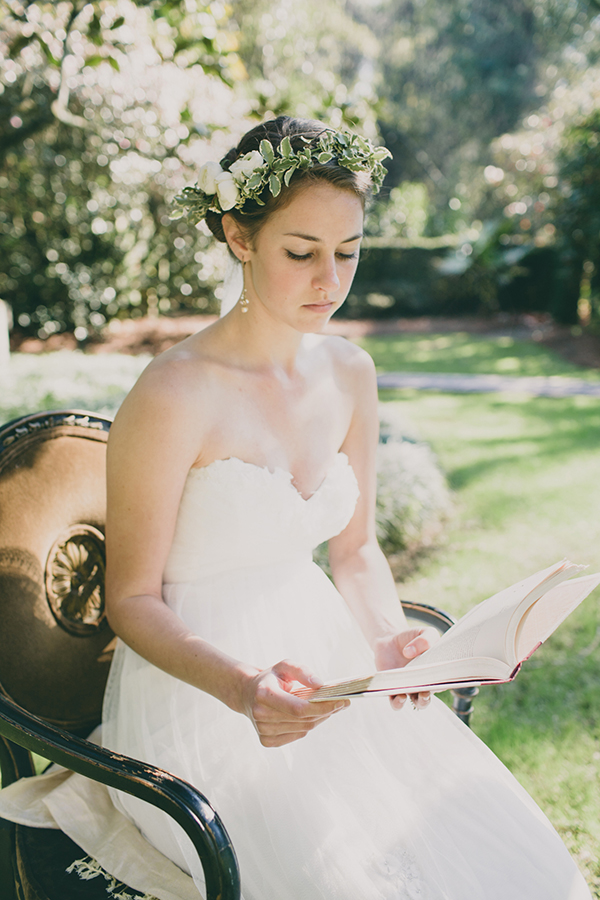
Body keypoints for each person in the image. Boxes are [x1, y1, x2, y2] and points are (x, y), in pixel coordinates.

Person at [0, 116, 592, 900]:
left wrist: (388, 636)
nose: (330, 281)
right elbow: (132, 599)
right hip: (201, 688)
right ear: (240, 236)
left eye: (348, 252)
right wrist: (244, 687)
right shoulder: (173, 393)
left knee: (486, 852)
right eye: (301, 252)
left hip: (327, 660)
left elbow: (355, 553)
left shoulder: (352, 373)